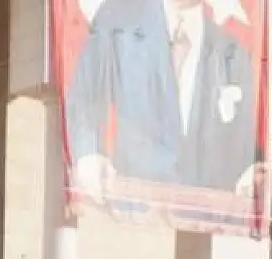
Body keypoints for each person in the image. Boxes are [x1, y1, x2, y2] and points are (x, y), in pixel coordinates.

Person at [64, 0, 260, 201]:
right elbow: (85, 96)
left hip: (203, 210)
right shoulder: (117, 21)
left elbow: (243, 142)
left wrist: (249, 172)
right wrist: (88, 154)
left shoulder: (231, 51)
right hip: (132, 204)